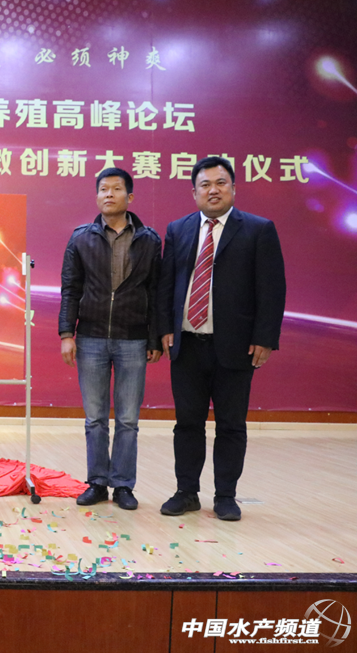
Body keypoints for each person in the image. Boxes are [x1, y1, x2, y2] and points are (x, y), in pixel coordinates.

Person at [158, 156, 286, 521]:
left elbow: (272, 289)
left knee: (231, 424)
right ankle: (186, 492)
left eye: (220, 183)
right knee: (187, 423)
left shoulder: (258, 229)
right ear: (194, 192)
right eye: (205, 184)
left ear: (233, 188)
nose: (213, 190)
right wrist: (164, 329)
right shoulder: (178, 229)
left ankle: (226, 496)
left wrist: (265, 338)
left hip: (236, 346)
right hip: (187, 344)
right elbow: (167, 284)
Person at [59, 168, 162, 510]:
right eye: (103, 189)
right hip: (90, 338)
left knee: (128, 419)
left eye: (116, 189)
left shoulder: (149, 240)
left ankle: (123, 486)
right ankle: (97, 482)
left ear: (129, 197)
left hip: (133, 340)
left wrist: (153, 338)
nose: (109, 194)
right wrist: (66, 333)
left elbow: (155, 292)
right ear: (97, 196)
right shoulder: (81, 238)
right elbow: (70, 289)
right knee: (95, 418)